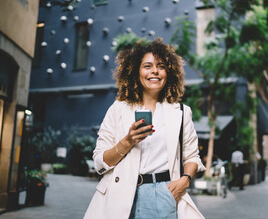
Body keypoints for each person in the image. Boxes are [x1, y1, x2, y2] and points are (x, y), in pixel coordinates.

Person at [84, 38, 205, 219]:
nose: (154, 71)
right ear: (136, 72)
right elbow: (99, 162)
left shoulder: (181, 112)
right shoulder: (118, 109)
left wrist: (184, 181)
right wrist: (128, 141)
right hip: (121, 193)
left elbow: (192, 156)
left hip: (165, 193)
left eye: (161, 66)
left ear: (168, 73)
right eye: (147, 66)